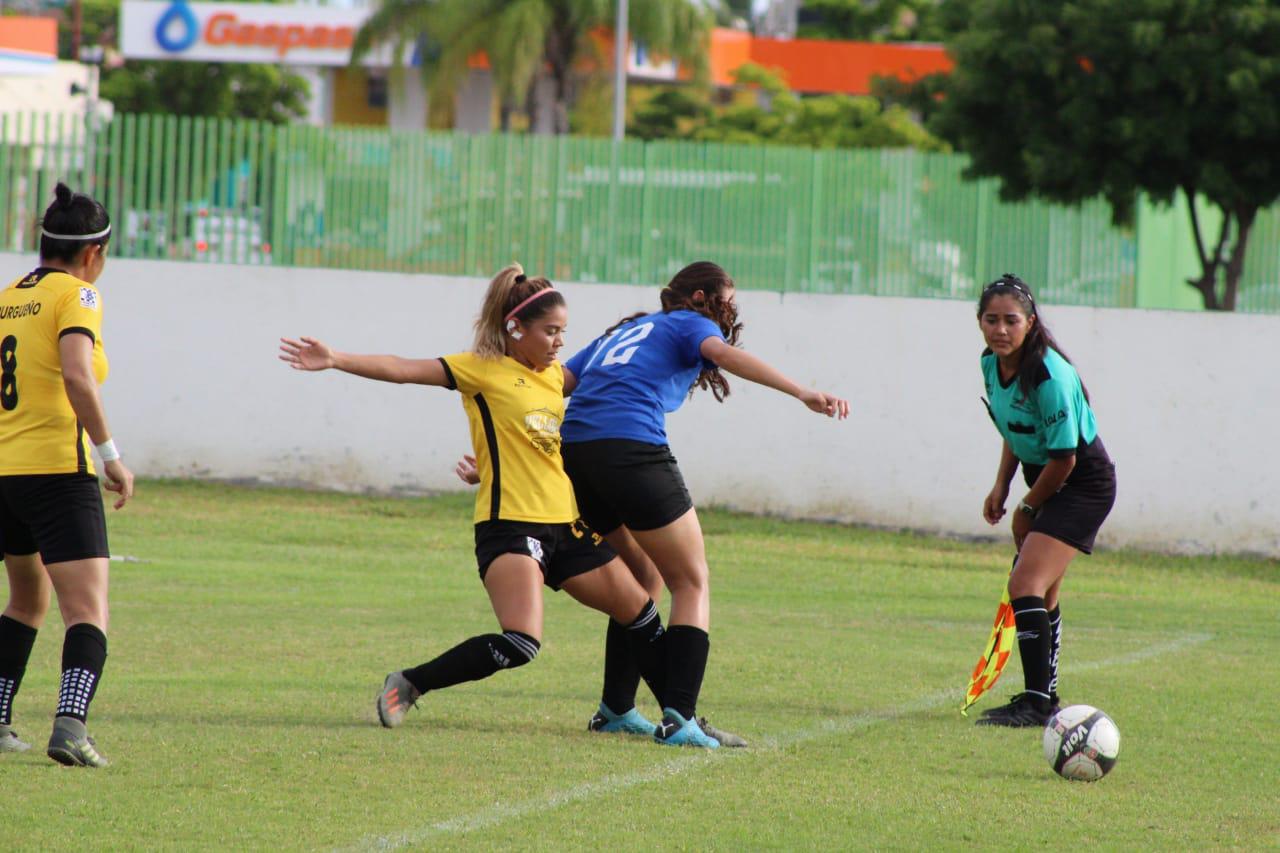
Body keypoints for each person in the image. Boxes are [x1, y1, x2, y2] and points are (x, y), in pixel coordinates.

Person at [279, 265, 698, 742]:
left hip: (566, 527)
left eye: (563, 331)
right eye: (550, 331)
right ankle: (412, 682)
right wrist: (336, 358)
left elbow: (554, 430)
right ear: (515, 328)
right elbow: (402, 368)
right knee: (522, 643)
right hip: (511, 527)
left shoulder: (556, 379)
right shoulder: (482, 370)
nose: (560, 342)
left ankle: (677, 722)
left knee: (641, 613)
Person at [558, 260, 849, 746]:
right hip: (631, 452)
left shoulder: (629, 330)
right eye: (727, 301)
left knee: (644, 578)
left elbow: (558, 383)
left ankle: (616, 708)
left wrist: (510, 445)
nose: (730, 313)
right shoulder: (690, 323)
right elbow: (725, 355)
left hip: (578, 455)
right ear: (699, 298)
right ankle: (680, 718)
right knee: (690, 580)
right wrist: (801, 391)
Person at [0, 182, 135, 767]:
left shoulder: (7, 296)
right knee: (88, 610)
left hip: (5, 475)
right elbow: (78, 376)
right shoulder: (77, 297)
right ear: (93, 253)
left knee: (27, 599)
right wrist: (110, 455)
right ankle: (71, 726)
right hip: (58, 472)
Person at [973, 274, 1116, 728]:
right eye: (991, 319)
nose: (1000, 329)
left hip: (1080, 482)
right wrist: (1002, 486)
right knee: (1043, 591)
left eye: (1010, 320)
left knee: (1024, 584)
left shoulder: (1049, 374)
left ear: (1030, 323)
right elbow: (1013, 430)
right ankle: (1044, 696)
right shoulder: (990, 364)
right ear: (979, 323)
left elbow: (1066, 459)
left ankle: (1036, 705)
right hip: (1048, 478)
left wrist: (1027, 508)